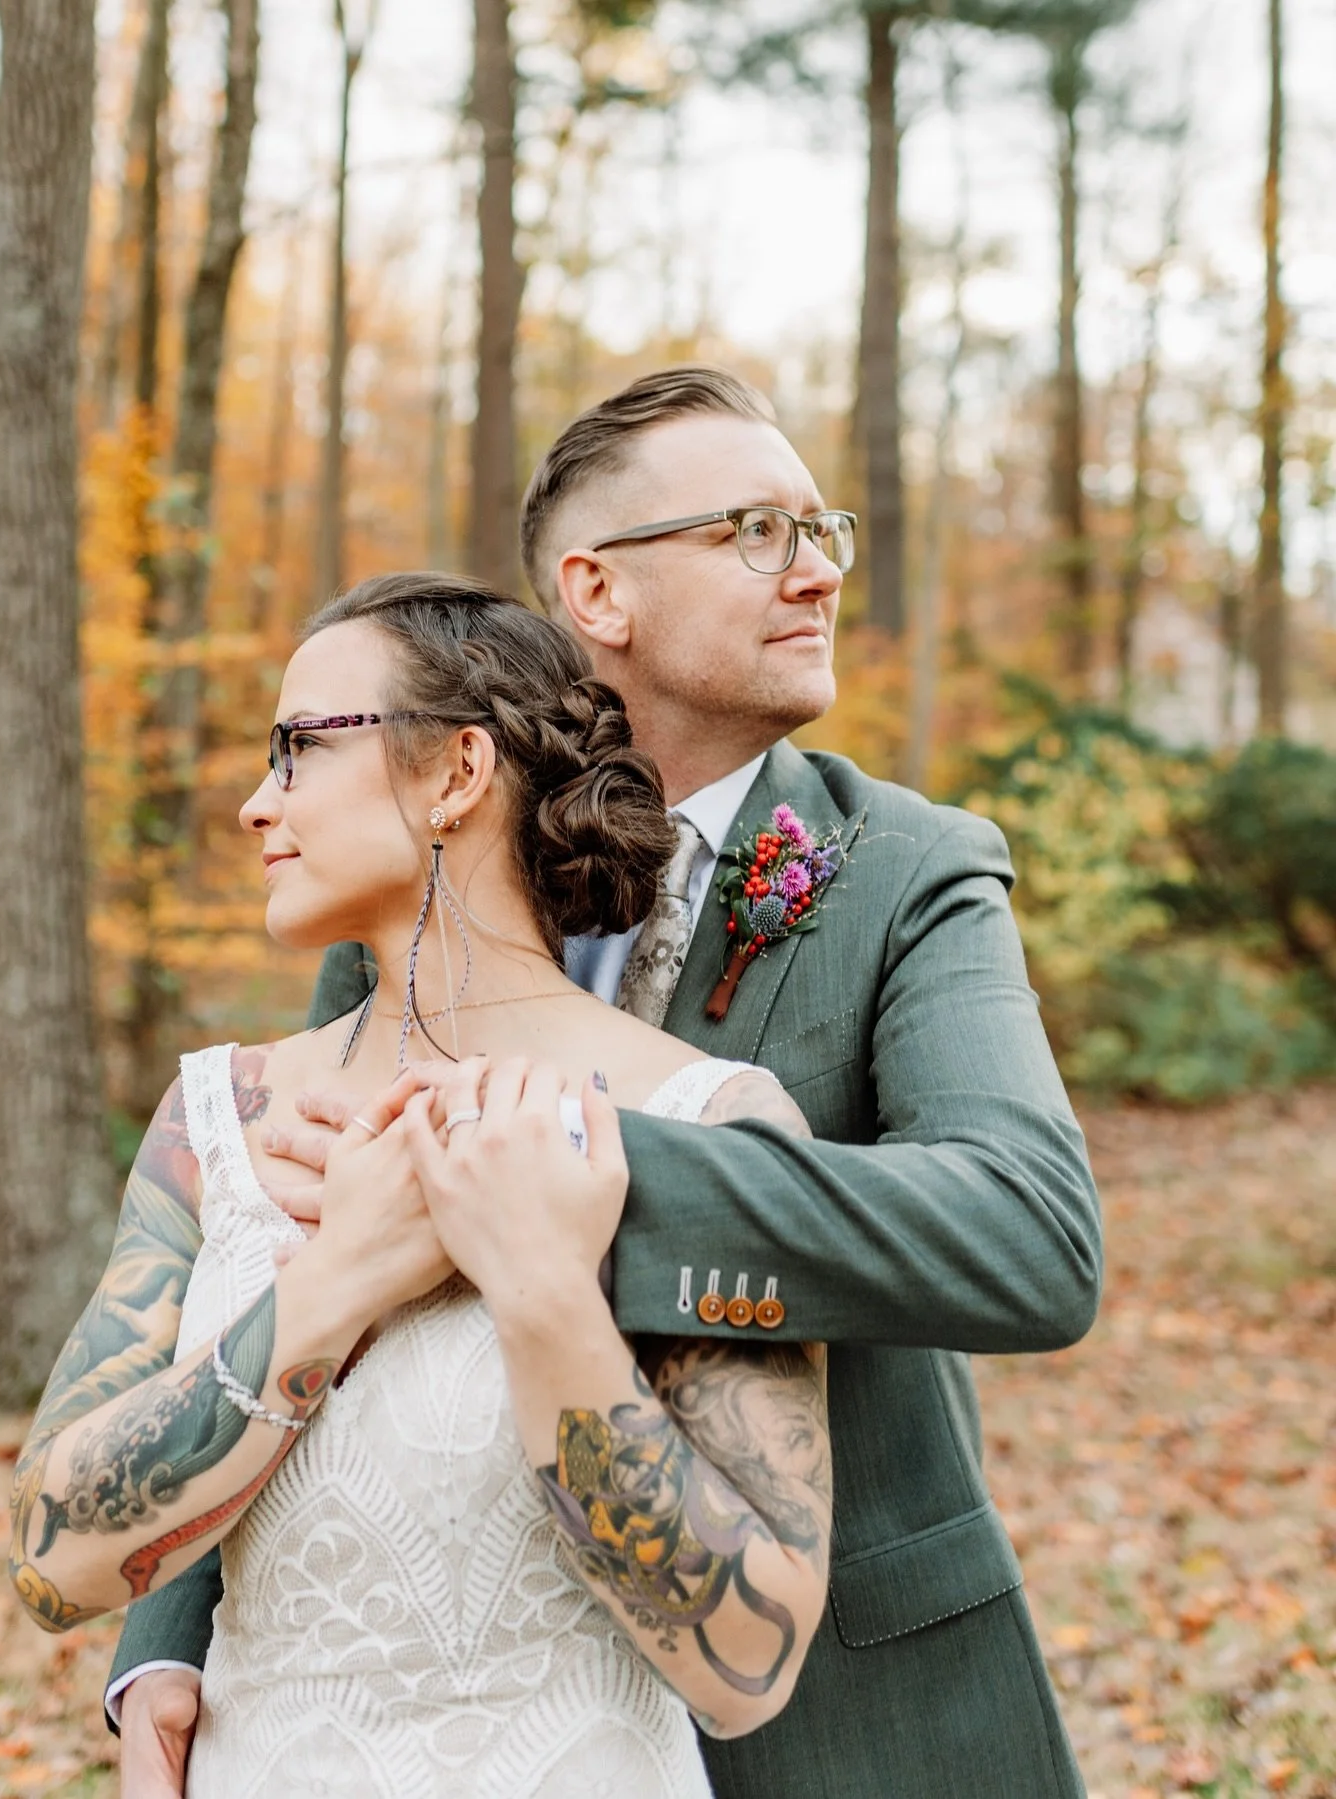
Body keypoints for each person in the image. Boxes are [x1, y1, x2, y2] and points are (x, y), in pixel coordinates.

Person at [109, 366, 1101, 1797]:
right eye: (757, 530)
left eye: (825, 529)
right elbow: (275, 1270)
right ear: (598, 589)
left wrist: (568, 1167)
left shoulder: (905, 870)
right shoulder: (418, 873)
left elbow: (1033, 1237)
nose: (816, 569)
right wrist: (167, 1639)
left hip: (849, 1710)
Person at [11, 573, 835, 1796]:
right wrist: (347, 1274)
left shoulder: (709, 1121)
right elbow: (49, 1557)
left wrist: (539, 1286)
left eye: (298, 749)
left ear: (455, 774)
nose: (254, 803)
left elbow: (747, 1659)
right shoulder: (217, 1119)